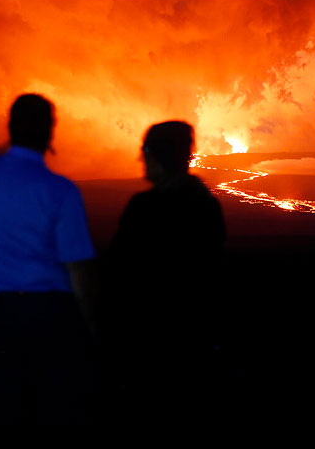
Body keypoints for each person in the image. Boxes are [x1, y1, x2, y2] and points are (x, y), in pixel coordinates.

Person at [0, 93, 98, 425]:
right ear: (50, 131)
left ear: (11, 127)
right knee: (52, 407)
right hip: (49, 316)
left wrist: (20, 139)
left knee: (3, 407)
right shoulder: (61, 191)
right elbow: (78, 266)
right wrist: (91, 324)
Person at [105, 120, 228, 416]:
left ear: (157, 155)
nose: (140, 159)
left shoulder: (144, 209)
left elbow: (119, 272)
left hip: (149, 344)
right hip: (195, 340)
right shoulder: (207, 206)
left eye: (145, 150)